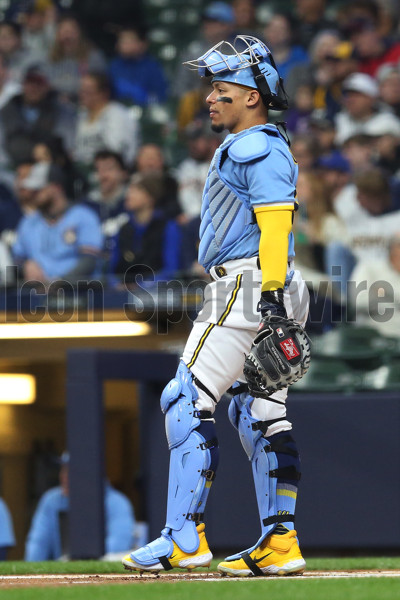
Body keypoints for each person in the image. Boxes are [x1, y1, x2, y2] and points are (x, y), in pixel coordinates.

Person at [122, 34, 310, 577]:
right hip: (270, 286)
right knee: (259, 413)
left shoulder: (255, 144)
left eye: (222, 88)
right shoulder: (265, 144)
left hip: (251, 284)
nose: (210, 97)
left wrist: (269, 297)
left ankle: (184, 537)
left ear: (253, 95)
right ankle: (280, 542)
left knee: (184, 399)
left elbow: (276, 224)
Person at [25, 452, 136, 561]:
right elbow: (38, 544)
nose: (64, 476)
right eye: (64, 469)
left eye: (72, 471)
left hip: (102, 574)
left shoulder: (117, 502)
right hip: (62, 572)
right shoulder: (52, 500)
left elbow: (118, 545)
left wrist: (78, 558)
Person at [12, 162, 103, 284]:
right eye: (32, 190)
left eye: (38, 189)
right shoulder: (28, 222)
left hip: (78, 292)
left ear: (56, 188)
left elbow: (89, 261)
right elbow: (17, 260)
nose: (32, 194)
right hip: (38, 294)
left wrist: (61, 283)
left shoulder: (83, 216)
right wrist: (25, 266)